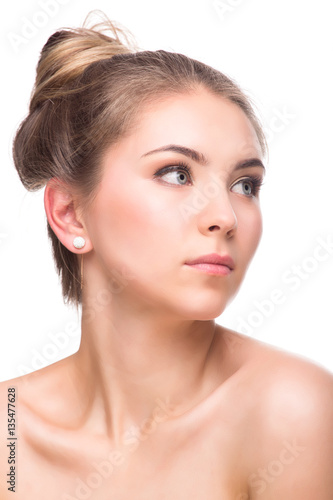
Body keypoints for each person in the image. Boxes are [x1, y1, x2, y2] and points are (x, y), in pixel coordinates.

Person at [1, 11, 332, 500]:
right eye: (176, 173)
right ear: (71, 214)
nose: (224, 216)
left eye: (246, 184)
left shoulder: (292, 411)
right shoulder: (9, 430)